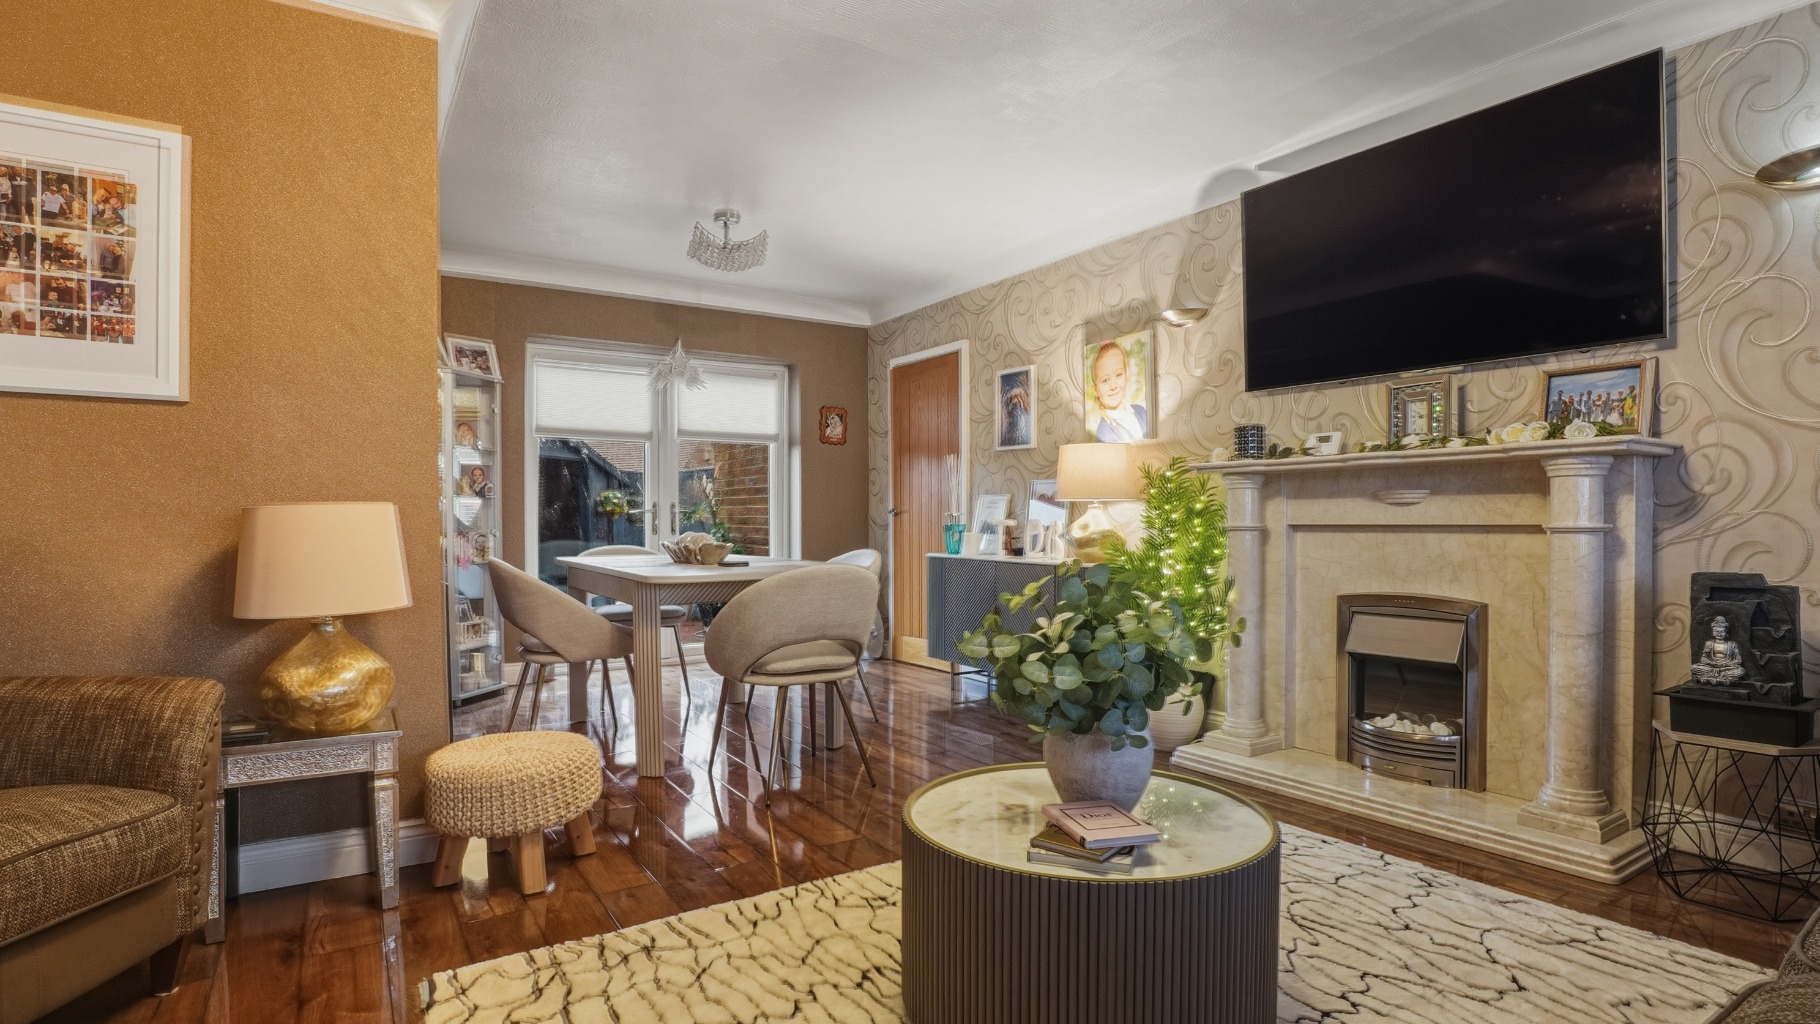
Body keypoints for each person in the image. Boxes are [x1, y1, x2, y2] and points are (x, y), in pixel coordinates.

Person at [1088, 341, 1148, 442]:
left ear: (1126, 375)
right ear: (1095, 390)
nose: (1113, 386)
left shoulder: (1141, 411)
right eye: (1105, 380)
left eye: (1119, 375)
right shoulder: (1105, 431)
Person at [1691, 617, 1746, 685]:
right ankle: (1722, 677)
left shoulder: (1732, 644)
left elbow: (1738, 660)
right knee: (1694, 667)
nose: (1719, 634)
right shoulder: (1709, 643)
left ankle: (1714, 676)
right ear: (1713, 632)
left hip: (1726, 667)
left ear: (1726, 632)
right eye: (1716, 631)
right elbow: (1703, 658)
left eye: (1722, 631)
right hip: (1711, 666)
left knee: (1740, 671)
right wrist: (1711, 663)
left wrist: (1725, 664)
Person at [1000, 378, 1032, 446]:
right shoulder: (1009, 423)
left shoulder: (1027, 422)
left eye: (1018, 398)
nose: (1015, 401)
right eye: (1012, 398)